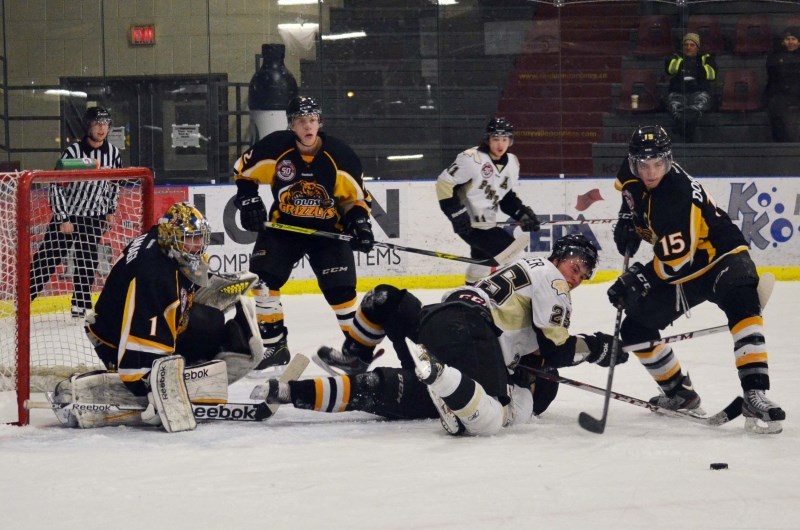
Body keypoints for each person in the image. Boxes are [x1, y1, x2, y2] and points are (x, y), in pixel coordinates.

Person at [253, 234, 625, 436]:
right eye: (577, 267)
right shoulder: (554, 281)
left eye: (584, 275)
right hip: (471, 336)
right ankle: (444, 385)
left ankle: (321, 373)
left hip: (440, 317)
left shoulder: (524, 266)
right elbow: (556, 349)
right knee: (492, 416)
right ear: (561, 258)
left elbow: (536, 344)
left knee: (385, 299)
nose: (577, 278)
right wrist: (598, 346)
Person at [609, 125, 785, 434]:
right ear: (633, 161)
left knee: (742, 300)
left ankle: (755, 393)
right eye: (643, 165)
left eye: (659, 164)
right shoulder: (632, 168)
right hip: (683, 263)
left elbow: (676, 263)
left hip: (721, 255)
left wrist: (638, 278)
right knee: (635, 329)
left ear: (669, 160)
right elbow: (628, 191)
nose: (650, 172)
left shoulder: (676, 198)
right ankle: (680, 393)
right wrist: (628, 218)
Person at [51, 203, 266, 432]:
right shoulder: (155, 278)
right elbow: (138, 345)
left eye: (199, 238)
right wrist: (151, 388)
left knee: (211, 320)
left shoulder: (159, 238)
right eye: (190, 239)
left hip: (114, 319)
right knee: (207, 327)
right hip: (115, 341)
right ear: (172, 238)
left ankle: (185, 360)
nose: (197, 246)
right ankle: (179, 366)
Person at [232, 95, 374, 372]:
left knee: (342, 293)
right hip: (284, 227)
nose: (307, 126)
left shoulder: (341, 156)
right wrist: (248, 199)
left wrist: (360, 225)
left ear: (319, 122)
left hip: (327, 231)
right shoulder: (274, 148)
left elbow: (355, 199)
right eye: (300, 121)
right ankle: (274, 348)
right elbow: (243, 172)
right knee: (263, 281)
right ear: (291, 126)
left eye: (312, 120)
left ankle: (355, 353)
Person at [30, 106, 122, 317]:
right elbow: (56, 185)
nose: (102, 128)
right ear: (88, 126)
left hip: (95, 216)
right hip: (69, 216)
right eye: (97, 124)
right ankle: (25, 299)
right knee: (47, 259)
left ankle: (80, 304)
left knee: (87, 260)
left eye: (105, 124)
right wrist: (63, 217)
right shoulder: (73, 152)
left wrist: (110, 209)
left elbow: (114, 183)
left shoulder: (114, 154)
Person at [436, 117, 540, 284]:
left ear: (510, 141)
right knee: (517, 258)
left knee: (482, 265)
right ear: (487, 139)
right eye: (496, 139)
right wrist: (456, 213)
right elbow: (444, 183)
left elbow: (505, 197)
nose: (500, 144)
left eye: (505, 139)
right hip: (470, 226)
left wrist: (521, 214)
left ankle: (470, 291)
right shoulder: (471, 159)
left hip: (488, 225)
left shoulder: (512, 163)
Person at [664, 32, 716, 143]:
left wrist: (702, 65)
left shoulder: (706, 58)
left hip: (699, 91)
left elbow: (712, 76)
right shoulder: (675, 58)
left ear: (698, 48)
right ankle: (688, 132)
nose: (688, 47)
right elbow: (670, 70)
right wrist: (679, 60)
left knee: (697, 107)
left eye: (692, 45)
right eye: (686, 45)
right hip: (678, 92)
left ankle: (683, 131)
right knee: (675, 107)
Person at [765, 26, 800, 142]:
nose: (790, 42)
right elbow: (773, 75)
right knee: (776, 107)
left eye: (793, 39)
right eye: (787, 39)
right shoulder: (774, 57)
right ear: (783, 42)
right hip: (780, 94)